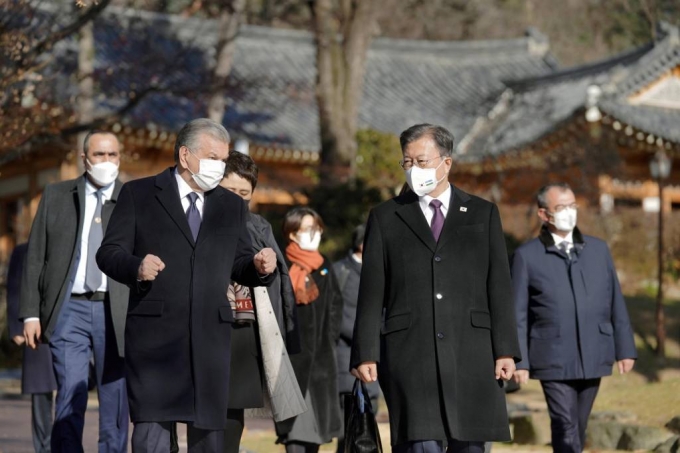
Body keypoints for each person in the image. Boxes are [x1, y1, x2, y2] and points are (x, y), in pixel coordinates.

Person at [95, 118, 277, 453]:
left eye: (223, 160)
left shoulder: (230, 205)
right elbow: (108, 253)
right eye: (212, 158)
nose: (219, 167)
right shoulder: (140, 194)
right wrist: (136, 266)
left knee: (208, 441)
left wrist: (259, 266)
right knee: (152, 441)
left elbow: (239, 263)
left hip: (210, 341)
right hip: (155, 342)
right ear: (184, 155)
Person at [351, 123, 520, 453]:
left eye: (422, 161)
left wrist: (505, 348)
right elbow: (371, 292)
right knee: (419, 442)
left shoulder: (483, 214)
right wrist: (365, 351)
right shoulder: (386, 217)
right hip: (410, 350)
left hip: (472, 350)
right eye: (407, 162)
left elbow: (498, 285)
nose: (414, 169)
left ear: (447, 162)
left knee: (470, 441)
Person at [20, 130, 130, 453]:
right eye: (99, 155)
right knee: (70, 392)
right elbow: (36, 255)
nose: (107, 162)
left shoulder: (132, 199)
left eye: (113, 155)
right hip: (70, 309)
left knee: (116, 398)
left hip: (116, 310)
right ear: (85, 159)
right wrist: (30, 314)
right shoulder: (56, 195)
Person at [511, 183, 637, 453]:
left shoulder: (598, 250)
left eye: (572, 206)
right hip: (552, 354)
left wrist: (625, 349)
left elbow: (615, 299)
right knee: (564, 423)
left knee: (578, 424)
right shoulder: (526, 256)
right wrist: (519, 359)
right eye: (561, 207)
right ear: (544, 215)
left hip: (594, 350)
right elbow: (517, 313)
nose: (569, 212)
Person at [218, 151, 304, 453]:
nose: (237, 199)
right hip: (205, 324)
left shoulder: (259, 226)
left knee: (233, 410)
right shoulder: (196, 221)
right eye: (230, 191)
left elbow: (280, 282)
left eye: (244, 193)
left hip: (245, 330)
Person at [276, 207, 343, 453]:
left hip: (321, 362)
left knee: (315, 432)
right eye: (308, 229)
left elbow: (336, 304)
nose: (314, 234)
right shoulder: (280, 263)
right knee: (293, 434)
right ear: (292, 234)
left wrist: (330, 338)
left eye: (317, 228)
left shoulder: (324, 265)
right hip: (291, 361)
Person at [332, 224, 381, 453]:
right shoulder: (340, 271)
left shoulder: (380, 270)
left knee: (368, 427)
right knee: (348, 429)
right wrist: (364, 336)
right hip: (346, 360)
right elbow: (335, 315)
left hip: (375, 360)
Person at [7, 242, 57, 453]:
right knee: (40, 390)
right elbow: (14, 287)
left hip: (69, 323)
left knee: (72, 388)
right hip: (35, 326)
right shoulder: (23, 250)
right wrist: (15, 327)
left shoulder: (71, 244)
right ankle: (43, 448)